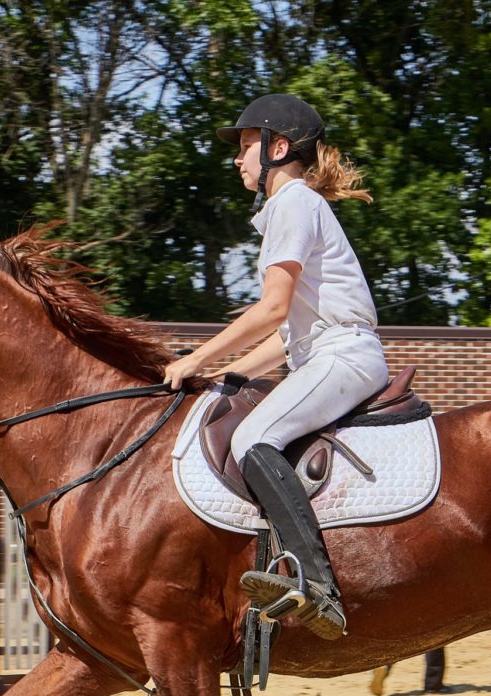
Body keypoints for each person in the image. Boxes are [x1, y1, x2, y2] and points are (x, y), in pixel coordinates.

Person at [164, 94, 387, 640]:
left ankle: (317, 585)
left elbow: (272, 309)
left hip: (343, 354)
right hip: (324, 351)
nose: (238, 160)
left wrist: (194, 357)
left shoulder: (292, 203)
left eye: (245, 147)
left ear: (277, 148)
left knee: (251, 438)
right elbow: (287, 342)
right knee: (249, 417)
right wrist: (227, 375)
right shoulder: (293, 207)